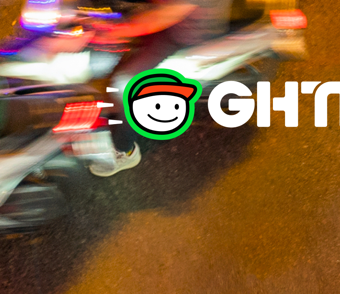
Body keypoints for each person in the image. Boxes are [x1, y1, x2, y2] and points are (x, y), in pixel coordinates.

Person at [89, 0, 232, 176]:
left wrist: (118, 31)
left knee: (126, 85)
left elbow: (164, 15)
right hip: (167, 22)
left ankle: (124, 150)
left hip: (184, 39)